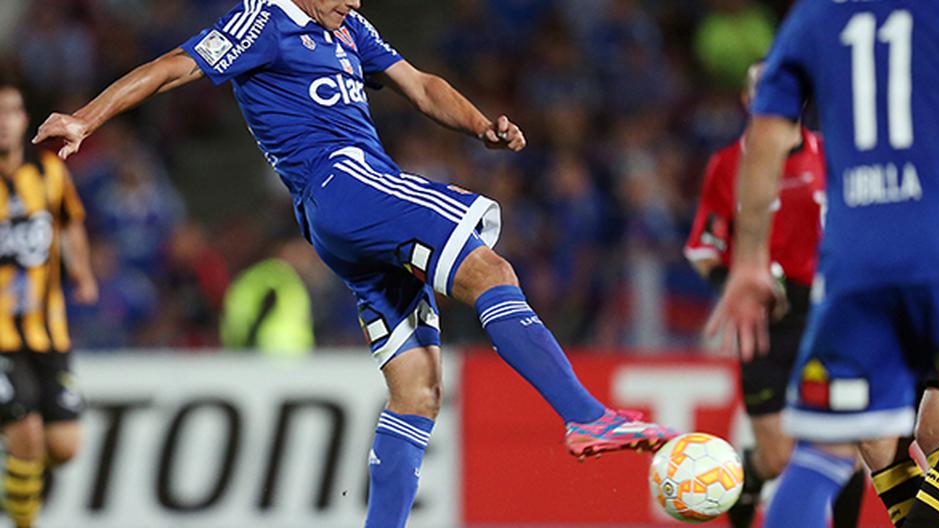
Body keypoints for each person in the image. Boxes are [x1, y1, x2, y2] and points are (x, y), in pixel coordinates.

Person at [30, 1, 678, 526]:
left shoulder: (347, 27)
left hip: (341, 219)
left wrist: (482, 127)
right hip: (346, 185)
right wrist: (86, 119)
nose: (356, 2)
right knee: (491, 271)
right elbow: (177, 66)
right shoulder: (263, 19)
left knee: (417, 387)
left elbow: (420, 86)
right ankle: (586, 416)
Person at [707, 2, 939, 528]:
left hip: (856, 257)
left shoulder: (811, 20)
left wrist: (748, 262)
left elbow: (766, 138)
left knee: (851, 444)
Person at [686, 62, 865, 528]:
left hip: (830, 313)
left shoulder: (833, 154)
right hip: (765, 323)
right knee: (779, 456)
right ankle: (746, 480)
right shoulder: (728, 165)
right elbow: (704, 248)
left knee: (846, 443)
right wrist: (738, 288)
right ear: (747, 100)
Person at [0, 72, 97, 528]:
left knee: (64, 447)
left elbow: (70, 220)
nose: (3, 122)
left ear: (24, 120)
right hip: (0, 338)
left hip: (47, 330)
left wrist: (81, 270)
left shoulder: (49, 171)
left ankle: (16, 480)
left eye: (11, 112)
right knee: (27, 436)